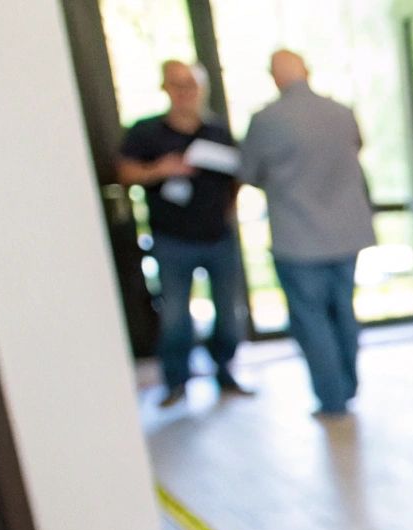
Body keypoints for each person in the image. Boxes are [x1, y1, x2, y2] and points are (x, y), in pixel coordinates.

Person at [237, 50, 377, 418]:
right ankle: (346, 385)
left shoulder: (266, 120)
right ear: (307, 72)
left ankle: (332, 398)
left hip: (297, 236)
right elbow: (356, 151)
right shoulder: (341, 113)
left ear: (274, 77)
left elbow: (248, 172)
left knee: (311, 318)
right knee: (343, 310)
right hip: (346, 233)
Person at [118, 60, 252, 408]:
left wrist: (229, 211)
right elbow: (125, 172)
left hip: (218, 238)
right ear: (166, 88)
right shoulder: (146, 132)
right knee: (176, 315)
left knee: (228, 312)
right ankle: (176, 381)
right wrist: (158, 170)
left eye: (191, 86)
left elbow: (237, 177)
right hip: (172, 240)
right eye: (177, 85)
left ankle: (225, 371)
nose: (185, 93)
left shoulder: (218, 132)